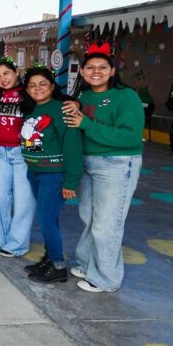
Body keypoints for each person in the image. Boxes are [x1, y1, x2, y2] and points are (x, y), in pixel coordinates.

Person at [62, 42, 144, 293]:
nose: (96, 71)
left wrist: (86, 123)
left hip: (116, 164)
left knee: (107, 224)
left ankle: (106, 278)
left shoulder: (125, 96)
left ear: (111, 71)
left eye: (102, 67)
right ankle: (88, 263)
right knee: (89, 217)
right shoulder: (83, 97)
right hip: (89, 163)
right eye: (90, 67)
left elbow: (130, 137)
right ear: (83, 72)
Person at [20, 64, 82, 283]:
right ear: (27, 89)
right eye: (32, 85)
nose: (38, 88)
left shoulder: (61, 108)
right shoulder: (31, 110)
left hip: (53, 175)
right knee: (50, 218)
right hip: (35, 173)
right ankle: (49, 257)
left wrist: (71, 181)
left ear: (52, 86)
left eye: (43, 84)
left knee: (45, 218)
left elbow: (72, 146)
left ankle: (58, 266)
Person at [0, 57, 34, 258]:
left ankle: (17, 244)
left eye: (6, 73)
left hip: (22, 153)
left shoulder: (28, 93)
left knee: (23, 201)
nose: (3, 79)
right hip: (1, 152)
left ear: (16, 71)